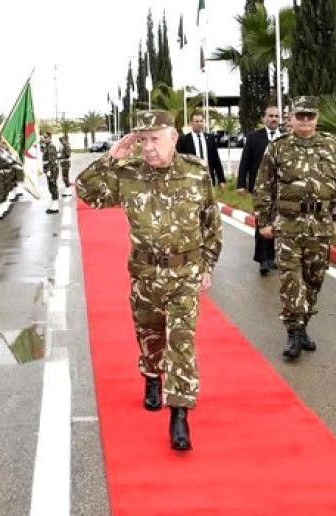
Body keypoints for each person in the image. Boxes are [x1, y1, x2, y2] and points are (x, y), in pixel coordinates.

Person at [76, 110, 222, 451]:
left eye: (155, 138)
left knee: (181, 342)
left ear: (174, 137)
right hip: (144, 274)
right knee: (150, 334)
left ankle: (180, 413)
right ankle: (152, 376)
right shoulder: (128, 174)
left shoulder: (196, 172)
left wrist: (208, 265)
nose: (149, 147)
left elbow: (210, 223)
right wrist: (112, 158)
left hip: (184, 273)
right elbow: (87, 192)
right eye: (142, 140)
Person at [253, 96, 336, 361]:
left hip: (320, 226)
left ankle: (303, 325)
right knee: (291, 279)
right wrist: (264, 221)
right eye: (300, 116)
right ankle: (293, 331)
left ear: (317, 118)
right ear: (290, 118)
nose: (305, 121)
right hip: (288, 225)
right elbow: (263, 186)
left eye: (310, 116)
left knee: (314, 278)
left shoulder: (331, 146)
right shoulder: (277, 148)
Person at [237, 106, 282, 275]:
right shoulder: (253, 138)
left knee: (277, 222)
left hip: (281, 189)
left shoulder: (285, 138)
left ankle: (271, 257)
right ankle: (262, 258)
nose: (273, 119)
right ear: (264, 118)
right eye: (270, 116)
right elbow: (244, 162)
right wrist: (241, 184)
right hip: (260, 188)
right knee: (262, 221)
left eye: (276, 116)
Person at [176, 112, 226, 187]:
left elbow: (216, 160)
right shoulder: (184, 139)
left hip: (208, 178)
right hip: (191, 179)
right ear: (191, 123)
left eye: (201, 121)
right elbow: (178, 159)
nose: (199, 123)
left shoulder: (210, 138)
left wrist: (221, 180)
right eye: (196, 121)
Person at [41, 132, 60, 213]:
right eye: (44, 138)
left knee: (52, 186)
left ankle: (55, 206)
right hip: (50, 170)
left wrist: (49, 170)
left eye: (46, 137)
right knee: (51, 187)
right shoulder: (47, 146)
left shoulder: (51, 147)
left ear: (50, 138)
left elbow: (51, 161)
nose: (44, 139)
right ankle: (54, 204)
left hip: (52, 170)